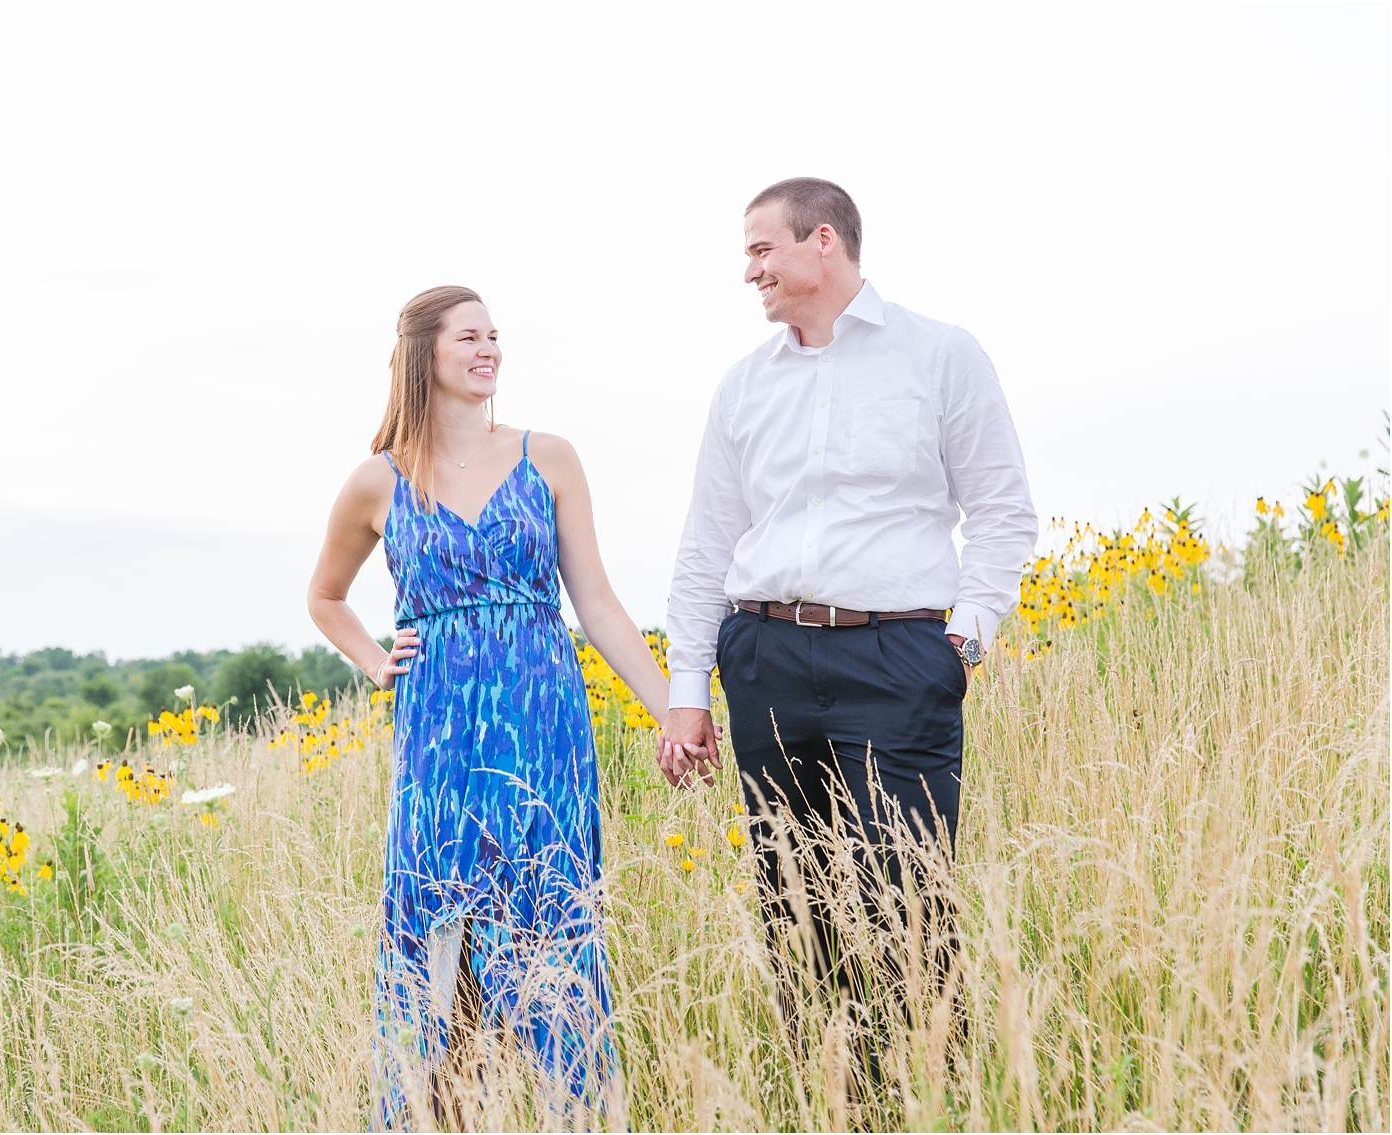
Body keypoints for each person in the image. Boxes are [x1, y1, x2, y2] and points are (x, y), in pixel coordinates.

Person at [659, 178, 1038, 1050]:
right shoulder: (742, 387)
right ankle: (826, 1091)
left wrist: (963, 640)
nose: (749, 270)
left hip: (898, 657)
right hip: (762, 658)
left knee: (908, 895)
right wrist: (689, 688)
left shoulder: (941, 355)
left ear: (822, 241)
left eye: (762, 249)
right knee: (793, 903)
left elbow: (1002, 508)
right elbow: (706, 543)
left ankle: (929, 1088)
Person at [307, 285, 668, 1128]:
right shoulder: (377, 480)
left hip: (543, 725)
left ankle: (569, 1112)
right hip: (438, 736)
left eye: (495, 336)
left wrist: (673, 710)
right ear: (423, 354)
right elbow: (326, 596)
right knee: (444, 929)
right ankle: (442, 1114)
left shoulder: (549, 457)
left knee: (548, 917)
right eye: (470, 336)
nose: (489, 349)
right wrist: (373, 658)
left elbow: (601, 605)